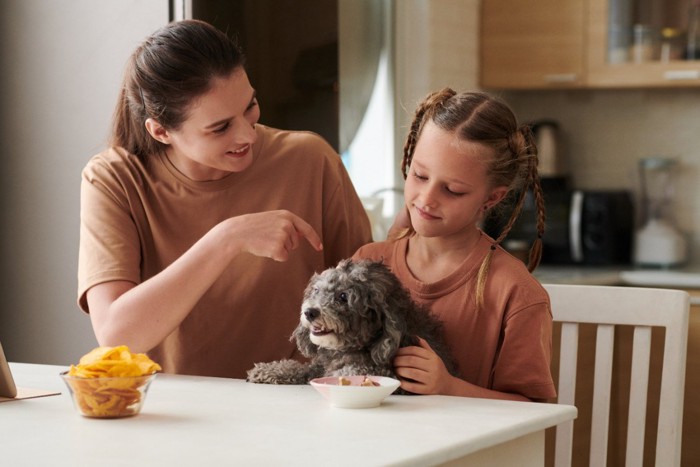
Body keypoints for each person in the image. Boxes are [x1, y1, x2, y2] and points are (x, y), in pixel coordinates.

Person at [78, 20, 372, 379]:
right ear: (160, 130)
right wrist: (227, 238)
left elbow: (369, 299)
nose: (247, 134)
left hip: (298, 404)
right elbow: (117, 334)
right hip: (172, 417)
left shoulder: (310, 160)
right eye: (220, 127)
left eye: (250, 107)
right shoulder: (115, 178)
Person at [353, 88, 556, 402]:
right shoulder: (368, 263)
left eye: (453, 190)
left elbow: (535, 410)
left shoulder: (516, 293)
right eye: (419, 175)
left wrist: (449, 387)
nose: (427, 199)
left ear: (491, 198)